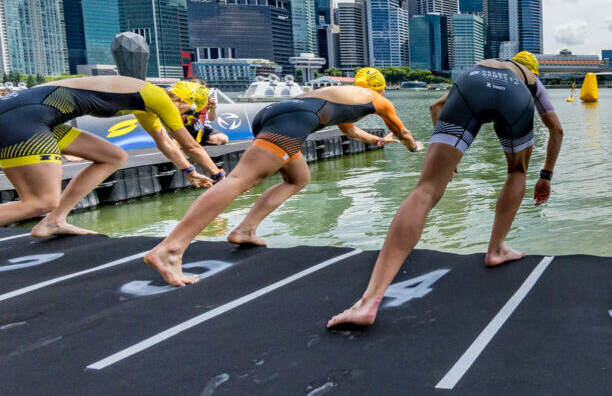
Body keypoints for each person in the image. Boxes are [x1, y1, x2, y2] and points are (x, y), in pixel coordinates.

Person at [328, 51, 564, 328]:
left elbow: (435, 108)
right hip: (515, 95)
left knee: (426, 189)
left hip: (471, 85)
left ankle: (368, 302)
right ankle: (496, 249)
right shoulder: (530, 79)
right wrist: (546, 175)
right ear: (531, 69)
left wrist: (447, 161)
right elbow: (556, 130)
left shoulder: (482, 66)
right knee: (516, 171)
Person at [144, 68, 421, 286]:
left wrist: (377, 142)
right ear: (380, 87)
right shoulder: (378, 100)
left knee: (298, 177)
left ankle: (245, 230)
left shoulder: (341, 93)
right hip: (293, 121)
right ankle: (170, 248)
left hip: (273, 114)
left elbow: (349, 131)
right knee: (239, 180)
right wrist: (414, 147)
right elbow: (403, 132)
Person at [0, 76, 221, 236]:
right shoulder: (159, 99)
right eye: (189, 112)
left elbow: (164, 142)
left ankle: (54, 221)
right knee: (41, 202)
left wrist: (189, 171)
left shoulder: (146, 100)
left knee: (113, 156)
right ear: (184, 101)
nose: (184, 116)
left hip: (26, 114)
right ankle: (51, 216)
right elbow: (191, 146)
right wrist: (221, 177)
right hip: (25, 120)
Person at [175, 81, 228, 147]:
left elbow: (212, 118)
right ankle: (188, 143)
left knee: (223, 138)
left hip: (200, 130)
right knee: (175, 144)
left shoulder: (206, 101)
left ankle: (194, 142)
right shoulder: (183, 100)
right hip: (182, 129)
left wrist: (212, 107)